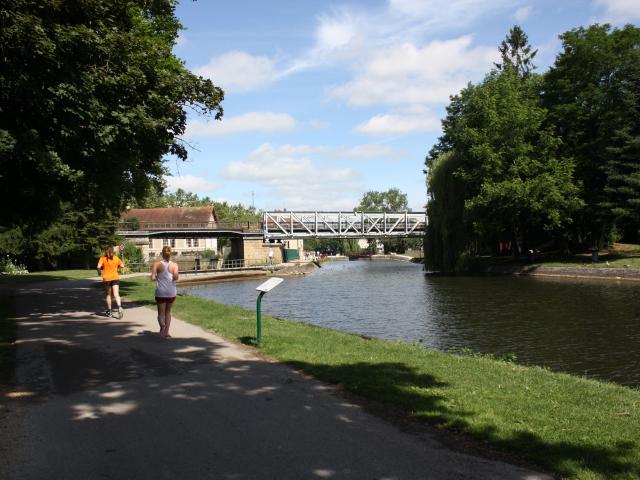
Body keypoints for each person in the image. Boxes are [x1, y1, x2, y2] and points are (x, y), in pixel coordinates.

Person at [151, 246, 179, 338]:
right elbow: (176, 277)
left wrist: (156, 278)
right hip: (171, 292)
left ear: (162, 253)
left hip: (161, 292)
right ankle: (166, 332)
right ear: (170, 254)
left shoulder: (156, 264)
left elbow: (153, 278)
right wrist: (173, 275)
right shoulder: (174, 265)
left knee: (160, 314)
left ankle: (162, 326)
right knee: (168, 312)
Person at [97, 246, 124, 318]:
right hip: (115, 278)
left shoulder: (102, 258)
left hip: (107, 279)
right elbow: (122, 265)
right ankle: (119, 307)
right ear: (112, 251)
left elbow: (98, 266)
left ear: (106, 251)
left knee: (108, 295)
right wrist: (117, 269)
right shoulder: (116, 258)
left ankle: (109, 311)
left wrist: (99, 272)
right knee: (116, 294)